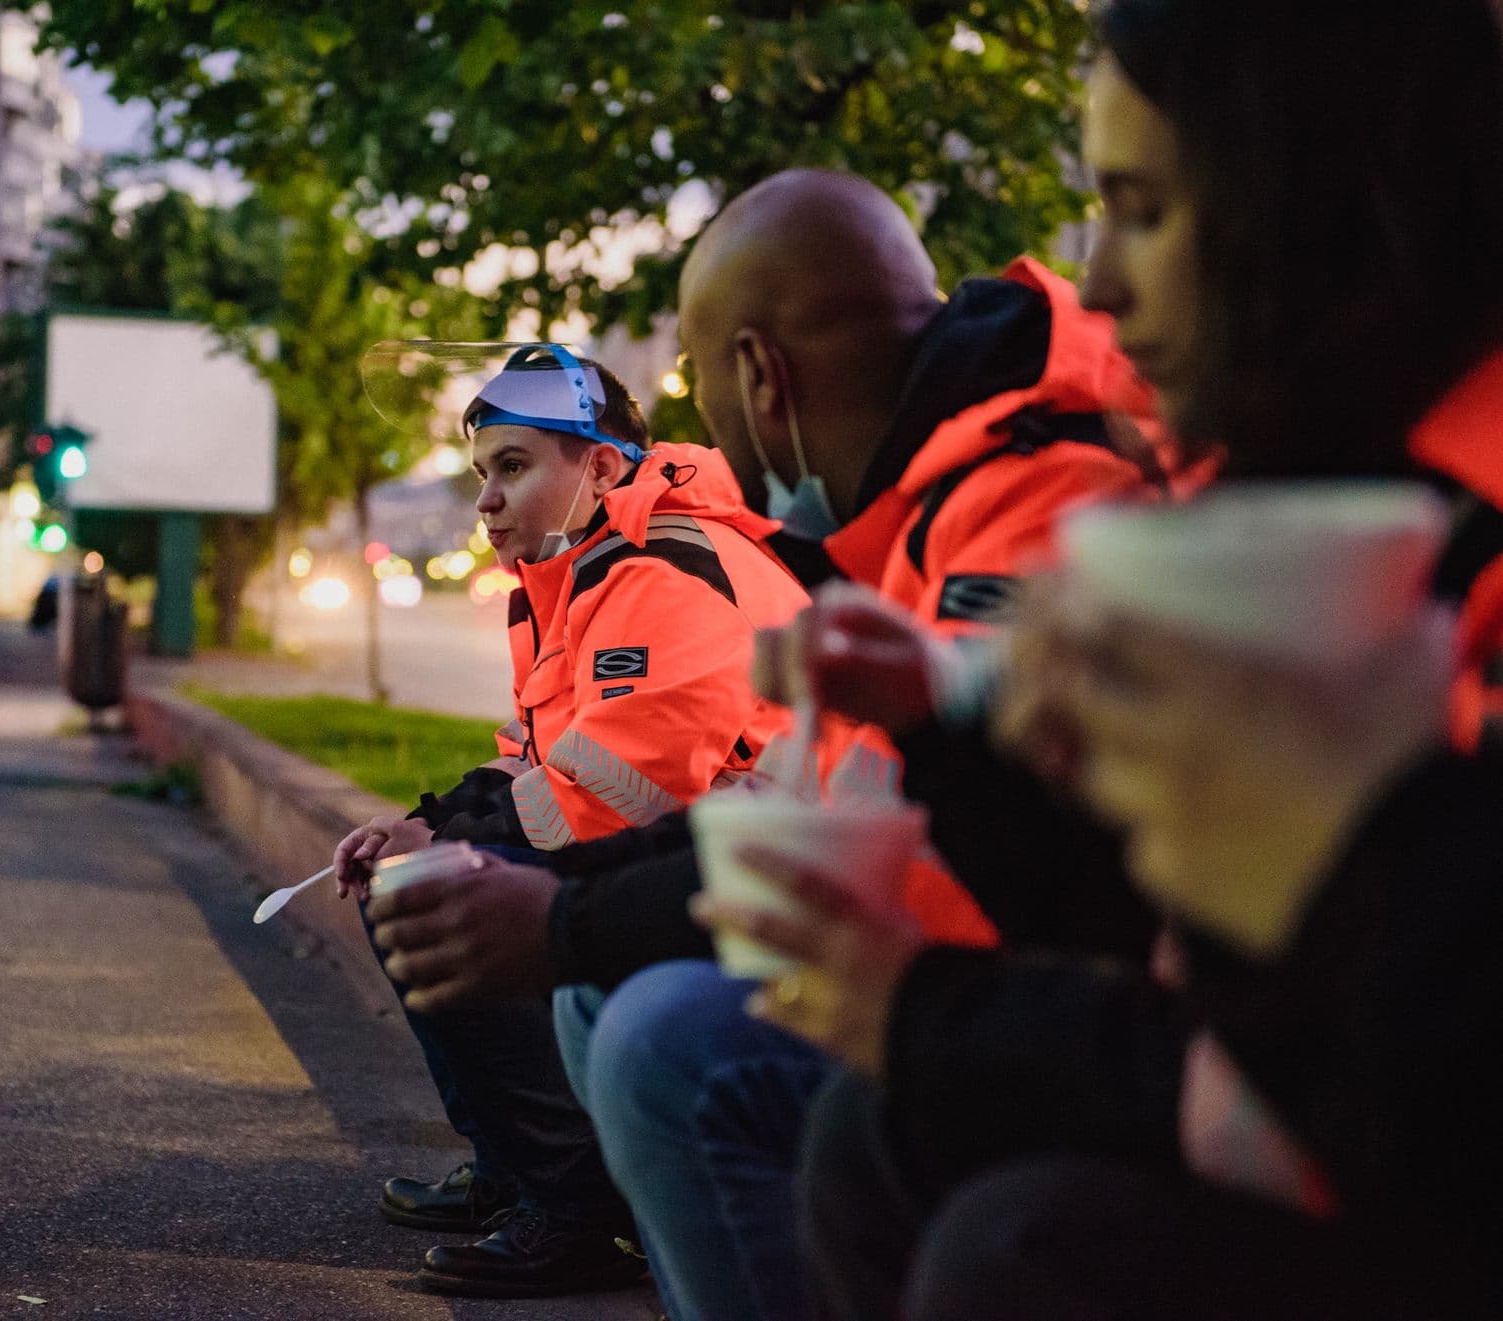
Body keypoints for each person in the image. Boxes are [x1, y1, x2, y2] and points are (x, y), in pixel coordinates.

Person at [699, 2, 1503, 1316]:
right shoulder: (1300, 487)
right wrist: (949, 722)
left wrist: (920, 1008)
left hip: (1412, 1144)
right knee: (877, 1139)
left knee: (1017, 1240)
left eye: (1141, 209)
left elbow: (1414, 1063)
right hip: (1305, 1086)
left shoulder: (1424, 528)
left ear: (1311, 200)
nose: (1104, 285)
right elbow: (1164, 938)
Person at [369, 168, 1168, 1320]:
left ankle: (584, 1215)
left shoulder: (1019, 494)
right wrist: (507, 865)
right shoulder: (906, 505)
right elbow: (817, 789)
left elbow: (932, 831)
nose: (487, 501)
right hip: (953, 950)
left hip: (1050, 991)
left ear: (758, 372)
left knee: (659, 1034)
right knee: (601, 988)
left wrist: (554, 911)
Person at [336, 346, 812, 1298]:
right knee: (413, 878)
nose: (487, 502)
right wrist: (422, 821)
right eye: (483, 473)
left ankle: (581, 1212)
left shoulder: (665, 569)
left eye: (513, 467)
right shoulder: (579, 574)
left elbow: (618, 789)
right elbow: (535, 752)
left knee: (446, 898)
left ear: (600, 464)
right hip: (697, 866)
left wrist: (452, 846)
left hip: (754, 883)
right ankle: (517, 1172)